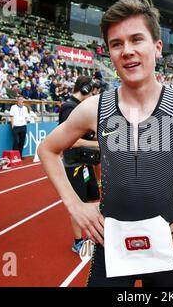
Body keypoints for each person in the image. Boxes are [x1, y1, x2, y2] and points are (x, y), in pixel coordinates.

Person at [38, 0, 173, 287]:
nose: (128, 51)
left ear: (157, 47)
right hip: (111, 247)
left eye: (137, 39)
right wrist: (74, 205)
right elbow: (47, 149)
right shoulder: (93, 109)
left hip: (168, 248)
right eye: (116, 44)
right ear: (109, 53)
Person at [59, 75, 101, 254]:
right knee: (78, 203)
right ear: (85, 90)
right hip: (73, 163)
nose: (93, 96)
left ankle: (92, 234)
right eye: (92, 93)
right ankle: (78, 242)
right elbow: (71, 141)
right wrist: (99, 144)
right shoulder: (69, 109)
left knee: (92, 198)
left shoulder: (79, 108)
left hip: (84, 163)